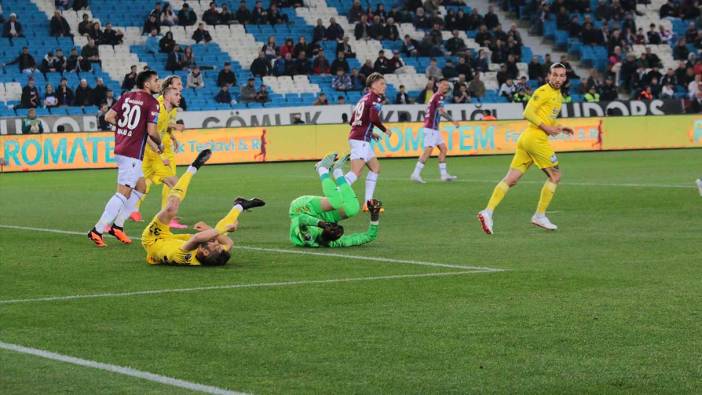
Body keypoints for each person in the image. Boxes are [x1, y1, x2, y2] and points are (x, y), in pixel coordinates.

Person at [477, 64, 574, 234]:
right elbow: (528, 112)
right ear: (548, 76)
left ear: (565, 78)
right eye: (555, 75)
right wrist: (547, 129)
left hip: (527, 139)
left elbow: (546, 118)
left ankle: (488, 212)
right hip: (535, 139)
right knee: (555, 176)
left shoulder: (557, 95)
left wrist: (559, 127)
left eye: (561, 75)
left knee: (511, 179)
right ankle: (539, 215)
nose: (558, 78)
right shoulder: (543, 92)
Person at [141, 149, 266, 266]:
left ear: (205, 252)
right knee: (221, 232)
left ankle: (193, 168)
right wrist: (216, 230)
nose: (217, 244)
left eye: (215, 246)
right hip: (176, 240)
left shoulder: (182, 256)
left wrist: (218, 230)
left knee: (171, 208)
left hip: (153, 239)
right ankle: (240, 205)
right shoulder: (213, 256)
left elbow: (197, 238)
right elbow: (229, 243)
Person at [87, 70, 164, 247]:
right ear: (147, 84)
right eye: (156, 81)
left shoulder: (127, 96)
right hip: (132, 153)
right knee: (123, 193)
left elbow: (108, 117)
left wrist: (126, 128)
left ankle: (118, 226)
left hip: (122, 147)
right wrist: (159, 144)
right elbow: (152, 131)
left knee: (141, 187)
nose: (158, 84)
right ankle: (97, 230)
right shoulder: (152, 102)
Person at [289, 153, 382, 248]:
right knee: (353, 209)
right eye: (339, 232)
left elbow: (301, 219)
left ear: (326, 231)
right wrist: (375, 215)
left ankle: (321, 169)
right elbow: (369, 236)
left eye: (333, 230)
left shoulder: (308, 239)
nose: (338, 229)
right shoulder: (337, 243)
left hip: (301, 210)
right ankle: (337, 171)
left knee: (335, 201)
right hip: (326, 218)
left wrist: (322, 224)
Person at [346, 72, 391, 211]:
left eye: (384, 84)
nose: (384, 86)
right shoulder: (375, 99)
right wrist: (384, 129)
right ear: (373, 85)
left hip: (359, 138)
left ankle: (368, 203)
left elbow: (352, 121)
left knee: (375, 168)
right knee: (355, 173)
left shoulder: (363, 99)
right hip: (361, 141)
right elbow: (373, 118)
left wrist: (371, 134)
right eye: (381, 83)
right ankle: (335, 194)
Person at [410, 78, 460, 184]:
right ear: (438, 85)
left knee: (443, 149)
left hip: (434, 129)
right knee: (428, 150)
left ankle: (444, 175)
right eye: (444, 85)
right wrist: (453, 121)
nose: (446, 87)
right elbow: (441, 112)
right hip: (431, 128)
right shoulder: (438, 96)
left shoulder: (436, 96)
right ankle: (416, 173)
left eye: (447, 85)